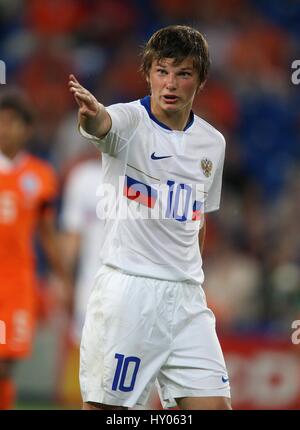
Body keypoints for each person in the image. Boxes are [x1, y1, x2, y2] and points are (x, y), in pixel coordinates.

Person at [69, 24, 231, 410]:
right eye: (162, 71)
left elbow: (199, 220)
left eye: (183, 73)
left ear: (201, 80)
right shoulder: (128, 122)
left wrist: (190, 275)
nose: (170, 83)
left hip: (188, 300)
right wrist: (92, 116)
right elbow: (101, 124)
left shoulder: (213, 144)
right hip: (129, 295)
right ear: (148, 74)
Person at [0, 92, 70, 409]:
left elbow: (47, 233)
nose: (4, 129)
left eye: (12, 123)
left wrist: (62, 278)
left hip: (17, 283)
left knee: (6, 365)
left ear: (26, 130)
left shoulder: (40, 176)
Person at [58, 150, 104, 405]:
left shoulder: (142, 171)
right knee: (86, 354)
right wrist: (65, 282)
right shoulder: (83, 178)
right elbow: (72, 234)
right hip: (91, 283)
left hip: (133, 283)